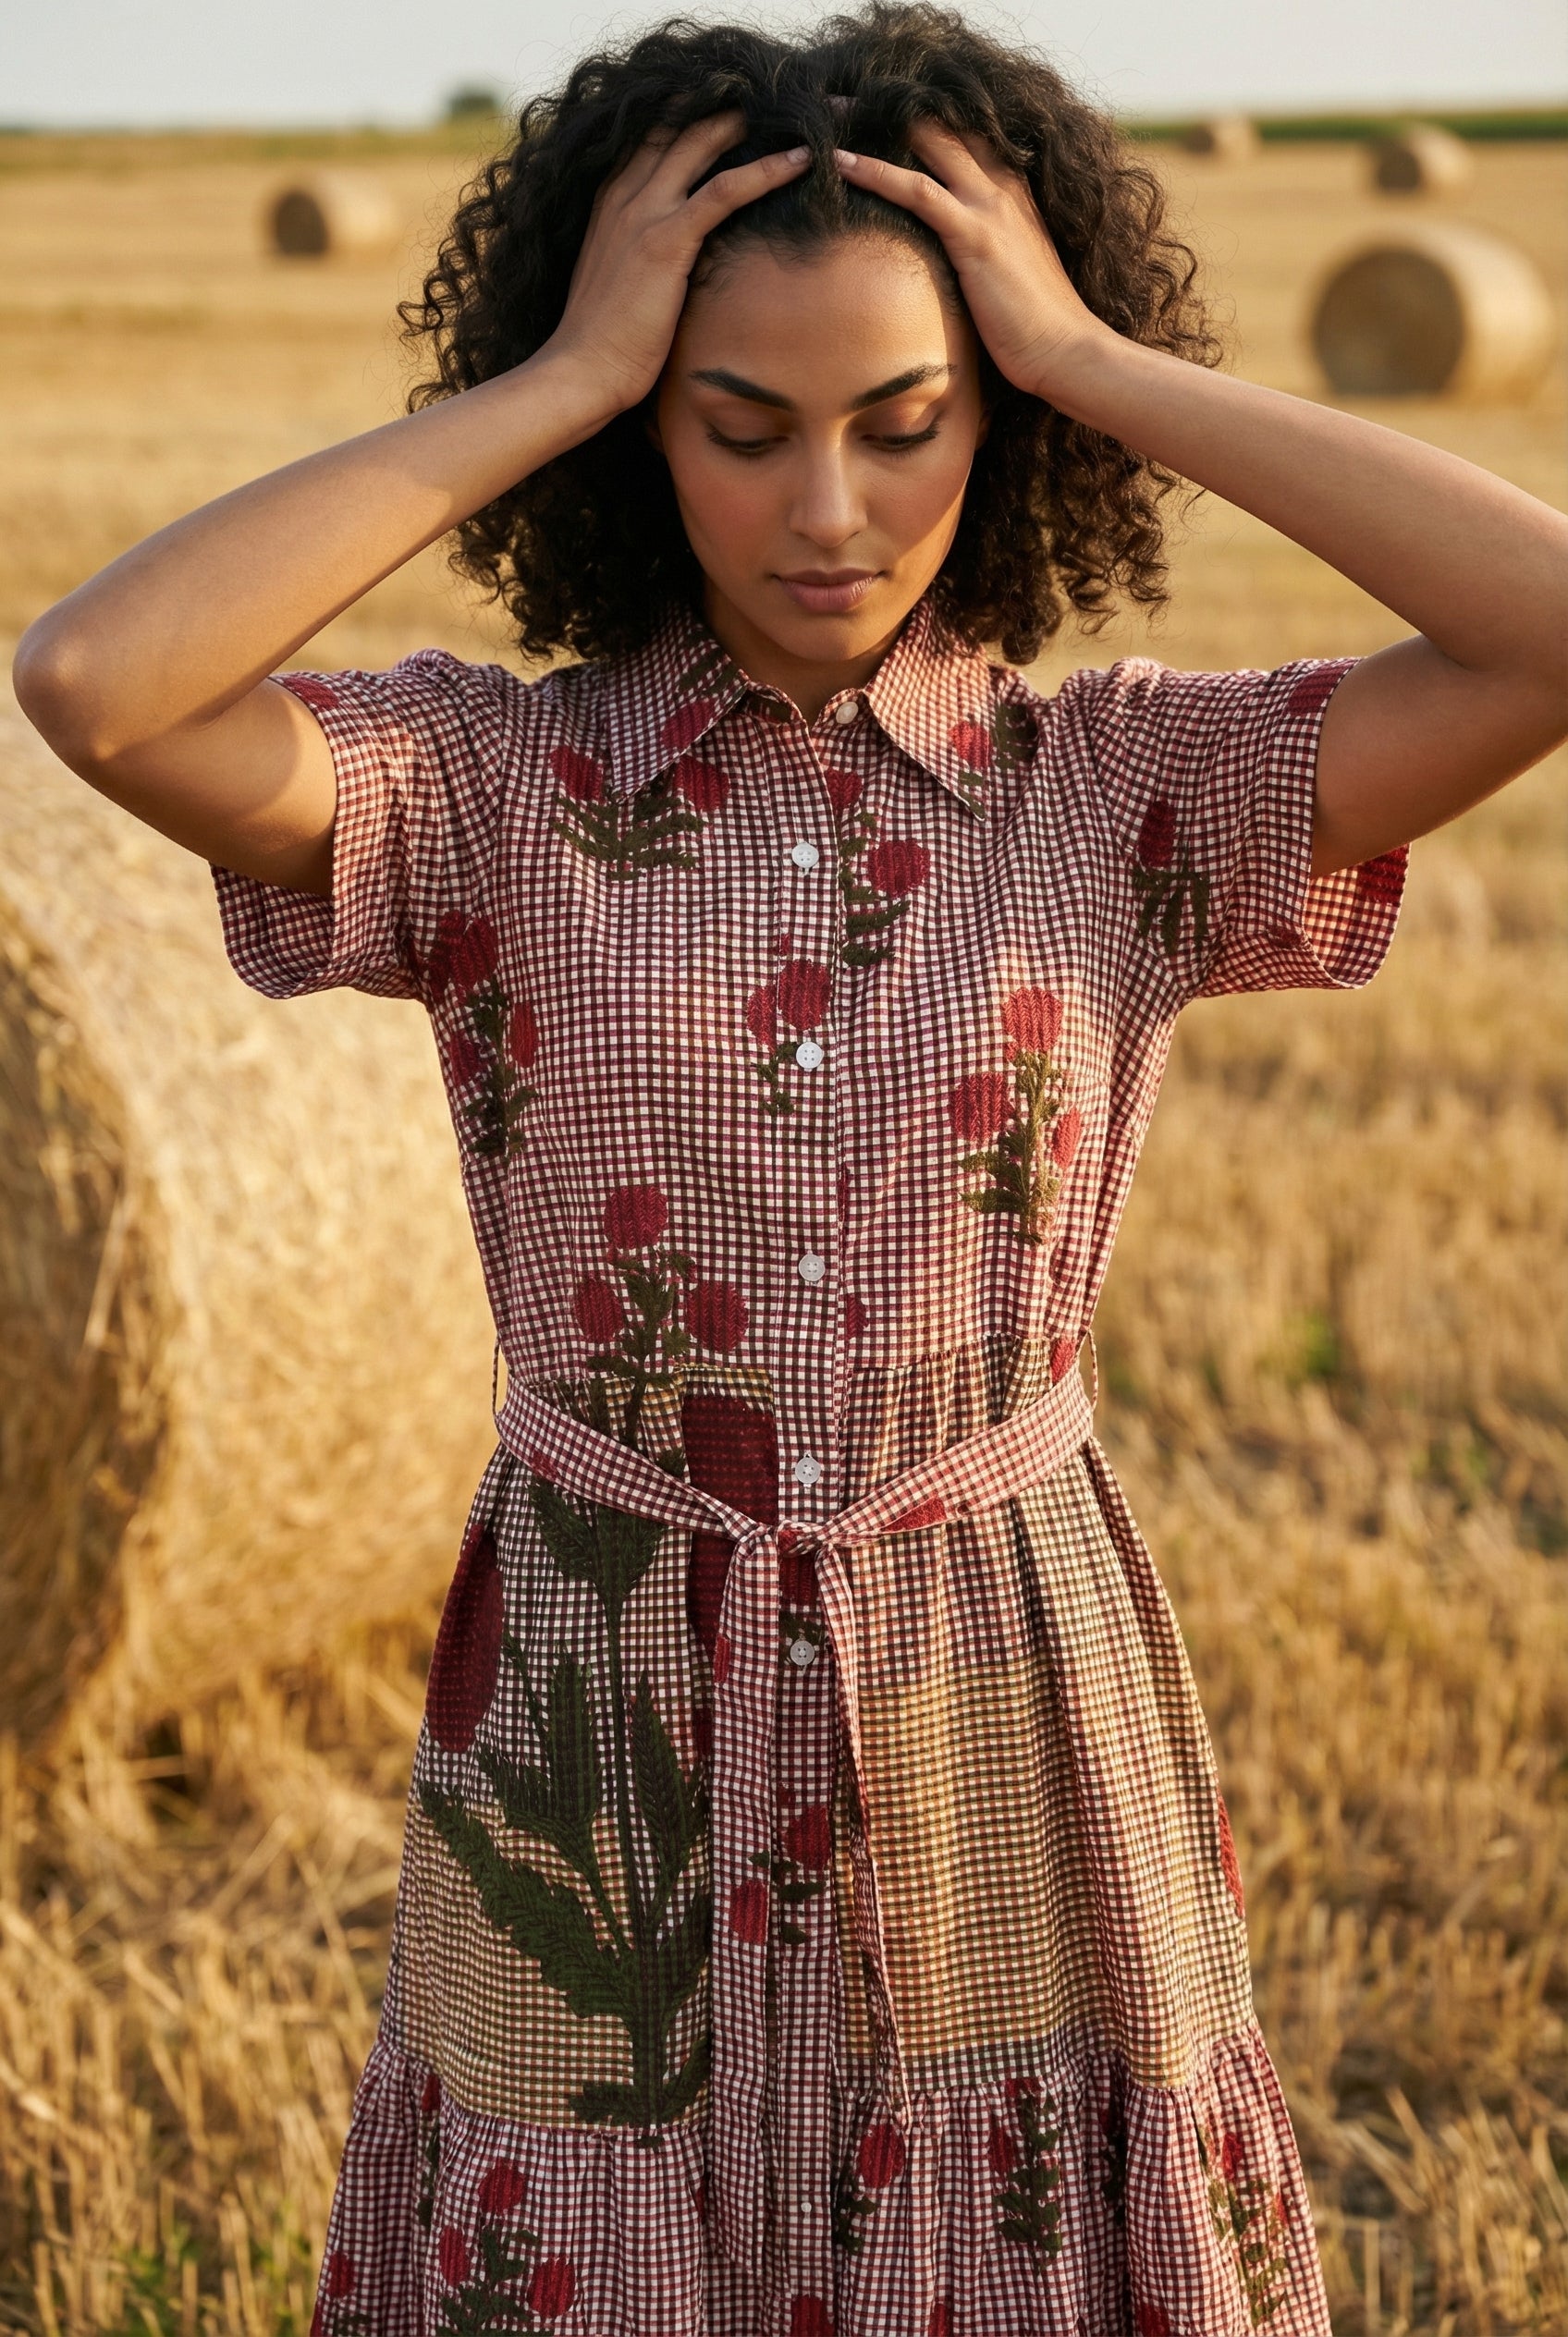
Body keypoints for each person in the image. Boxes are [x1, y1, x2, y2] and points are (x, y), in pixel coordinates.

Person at [15, 6, 1566, 2330]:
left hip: (991, 1659)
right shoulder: (486, 793)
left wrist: (1090, 358)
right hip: (594, 1670)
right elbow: (99, 688)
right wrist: (545, 380)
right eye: (737, 428)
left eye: (902, 423)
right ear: (650, 431)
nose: (824, 510)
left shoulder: (1125, 797)